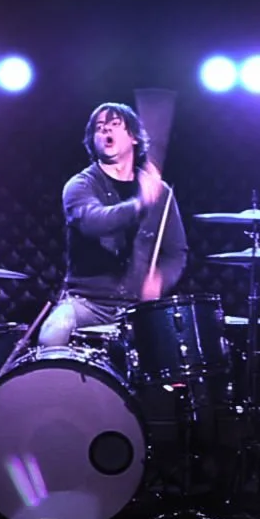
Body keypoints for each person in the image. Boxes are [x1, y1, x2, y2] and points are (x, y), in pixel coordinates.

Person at [37, 102, 188, 348]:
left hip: (137, 308)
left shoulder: (161, 193)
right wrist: (139, 205)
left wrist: (161, 280)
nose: (106, 130)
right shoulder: (80, 185)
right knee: (52, 333)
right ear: (92, 140)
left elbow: (176, 253)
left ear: (134, 138)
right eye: (99, 127)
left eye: (115, 124)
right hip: (87, 304)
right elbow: (95, 222)